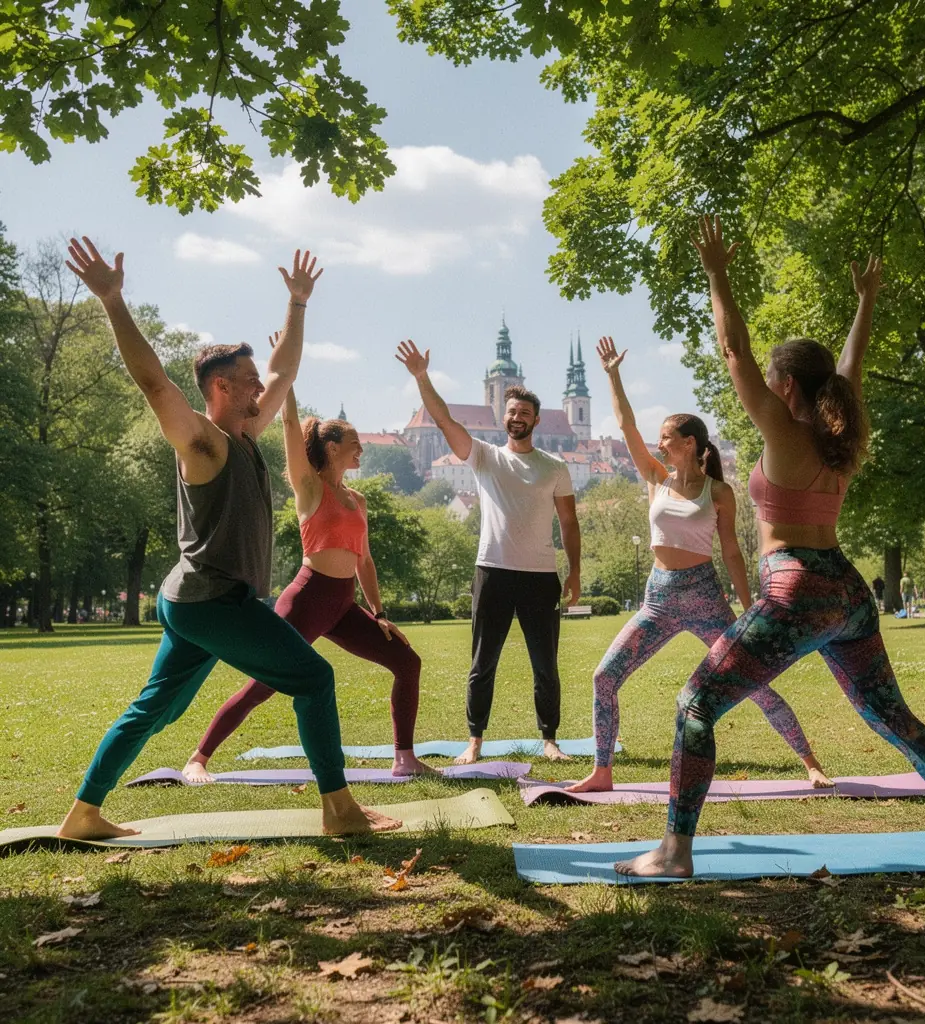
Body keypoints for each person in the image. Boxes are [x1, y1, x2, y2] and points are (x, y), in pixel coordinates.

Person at [614, 215, 925, 877]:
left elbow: (734, 351)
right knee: (892, 717)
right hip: (848, 593)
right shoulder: (838, 436)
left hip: (796, 587)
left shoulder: (785, 433)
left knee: (695, 704)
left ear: (786, 386)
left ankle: (675, 853)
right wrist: (865, 302)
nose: (763, 382)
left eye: (774, 377)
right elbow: (849, 370)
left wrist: (717, 273)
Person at [56, 239, 399, 840]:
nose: (257, 388)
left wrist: (296, 305)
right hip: (211, 599)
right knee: (313, 680)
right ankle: (340, 810)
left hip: (199, 600)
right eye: (245, 381)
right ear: (219, 387)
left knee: (157, 708)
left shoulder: (245, 433)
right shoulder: (204, 442)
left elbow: (284, 370)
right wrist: (113, 301)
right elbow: (156, 384)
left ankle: (83, 815)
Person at [568, 337, 831, 794]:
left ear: (689, 444)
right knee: (604, 676)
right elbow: (626, 425)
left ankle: (809, 761)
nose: (659, 442)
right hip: (658, 597)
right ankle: (603, 771)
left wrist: (752, 607)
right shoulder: (655, 478)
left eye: (666, 437)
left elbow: (731, 552)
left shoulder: (719, 493)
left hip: (705, 598)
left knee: (754, 683)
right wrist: (612, 374)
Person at [181, 336, 433, 784]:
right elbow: (290, 427)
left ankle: (404, 757)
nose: (361, 450)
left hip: (343, 604)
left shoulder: (357, 499)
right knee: (265, 685)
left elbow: (366, 562)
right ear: (332, 447)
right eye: (354, 443)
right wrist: (289, 384)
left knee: (407, 662)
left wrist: (379, 613)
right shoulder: (310, 488)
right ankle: (198, 758)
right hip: (308, 599)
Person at [396, 339, 581, 764]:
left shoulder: (555, 467)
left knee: (545, 665)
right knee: (483, 662)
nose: (516, 417)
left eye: (523, 413)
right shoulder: (484, 457)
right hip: (492, 572)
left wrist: (573, 572)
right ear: (505, 418)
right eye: (511, 412)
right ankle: (475, 739)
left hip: (539, 576)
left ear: (535, 419)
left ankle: (549, 738)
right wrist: (422, 377)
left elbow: (569, 523)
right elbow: (442, 420)